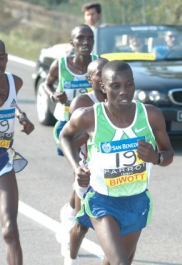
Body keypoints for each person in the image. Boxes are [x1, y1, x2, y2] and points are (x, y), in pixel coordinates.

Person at [59, 60, 175, 265]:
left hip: (136, 200)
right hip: (102, 201)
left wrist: (156, 157)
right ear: (103, 87)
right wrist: (76, 167)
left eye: (129, 84)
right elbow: (65, 136)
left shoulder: (151, 115)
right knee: (120, 261)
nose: (124, 91)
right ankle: (71, 255)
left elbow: (168, 154)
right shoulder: (89, 116)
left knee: (119, 261)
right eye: (116, 86)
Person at [42, 24, 98, 256]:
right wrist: (54, 95)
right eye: (80, 38)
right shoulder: (61, 64)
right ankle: (71, 217)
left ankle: (69, 211)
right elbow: (47, 83)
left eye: (89, 38)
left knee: (82, 174)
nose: (85, 42)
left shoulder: (98, 64)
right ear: (72, 42)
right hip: (67, 128)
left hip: (94, 127)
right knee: (79, 172)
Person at [0, 37, 35, 265]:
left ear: (7, 58)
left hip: (0, 160)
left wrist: (22, 118)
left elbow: (13, 105)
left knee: (10, 230)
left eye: (1, 57)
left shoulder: (15, 82)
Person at [63, 58, 108, 265]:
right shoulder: (82, 103)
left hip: (117, 175)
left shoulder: (121, 99)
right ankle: (71, 257)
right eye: (99, 72)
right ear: (90, 79)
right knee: (82, 225)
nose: (105, 75)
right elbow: (71, 137)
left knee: (115, 229)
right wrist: (97, 128)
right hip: (89, 173)